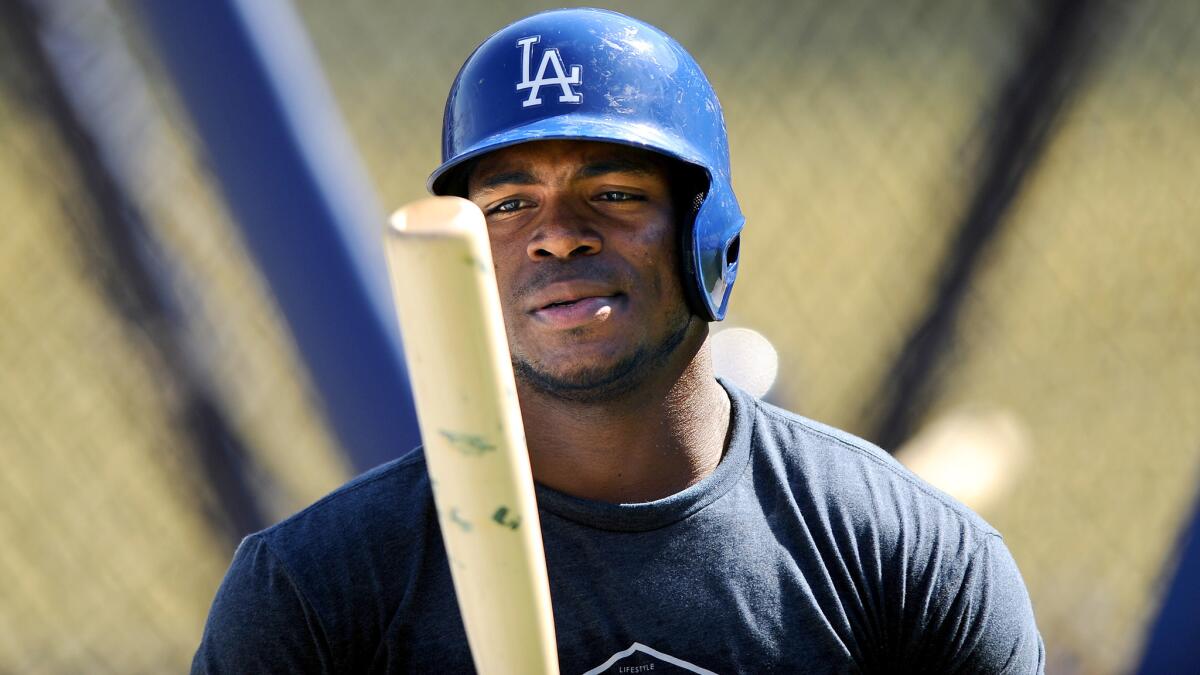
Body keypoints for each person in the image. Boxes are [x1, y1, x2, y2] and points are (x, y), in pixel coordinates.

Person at [192, 8, 1044, 674]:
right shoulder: (315, 593)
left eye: (616, 192)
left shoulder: (908, 559)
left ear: (707, 236)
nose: (557, 236)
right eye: (508, 204)